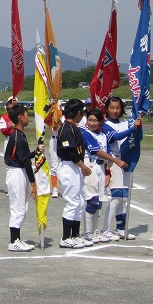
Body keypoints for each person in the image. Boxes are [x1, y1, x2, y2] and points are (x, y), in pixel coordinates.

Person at [79, 108, 127, 243]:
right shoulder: (86, 133)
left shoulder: (103, 136)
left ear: (101, 122)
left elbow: (105, 157)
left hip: (100, 167)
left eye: (95, 120)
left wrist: (107, 173)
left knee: (98, 202)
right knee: (92, 201)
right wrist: (116, 161)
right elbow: (97, 152)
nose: (92, 123)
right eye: (90, 120)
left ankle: (95, 232)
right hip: (91, 167)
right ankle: (87, 232)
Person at [101, 96, 141, 240]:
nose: (115, 111)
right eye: (112, 107)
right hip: (114, 162)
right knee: (116, 197)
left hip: (126, 161)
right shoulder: (105, 124)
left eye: (118, 108)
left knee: (124, 198)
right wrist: (133, 128)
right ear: (107, 108)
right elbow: (116, 137)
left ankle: (121, 228)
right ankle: (106, 229)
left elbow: (135, 136)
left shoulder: (125, 122)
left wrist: (137, 124)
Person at [56, 99, 92, 249]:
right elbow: (69, 151)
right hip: (69, 167)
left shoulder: (72, 127)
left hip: (74, 167)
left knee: (79, 202)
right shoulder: (67, 128)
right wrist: (83, 166)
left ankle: (75, 235)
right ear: (78, 113)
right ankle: (65, 237)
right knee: (72, 202)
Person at [4, 103, 39, 252]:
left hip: (18, 171)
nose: (28, 117)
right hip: (17, 172)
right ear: (20, 117)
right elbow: (24, 162)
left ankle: (17, 238)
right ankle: (13, 241)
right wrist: (33, 183)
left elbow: (23, 157)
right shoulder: (18, 136)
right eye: (26, 114)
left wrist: (35, 152)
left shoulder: (19, 135)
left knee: (22, 207)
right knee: (18, 208)